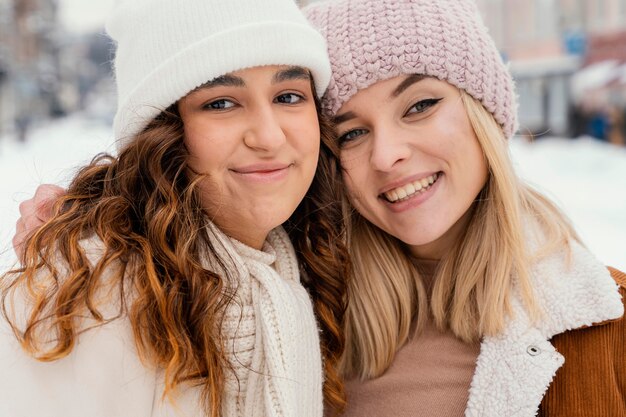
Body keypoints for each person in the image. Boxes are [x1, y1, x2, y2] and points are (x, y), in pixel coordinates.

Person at [0, 0, 349, 416]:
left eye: (289, 96)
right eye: (221, 103)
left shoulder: (302, 269)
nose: (270, 137)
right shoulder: (88, 300)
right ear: (162, 133)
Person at [302, 0, 625, 416]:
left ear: (483, 113)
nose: (386, 155)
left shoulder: (607, 323)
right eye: (351, 133)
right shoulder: (310, 328)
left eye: (420, 106)